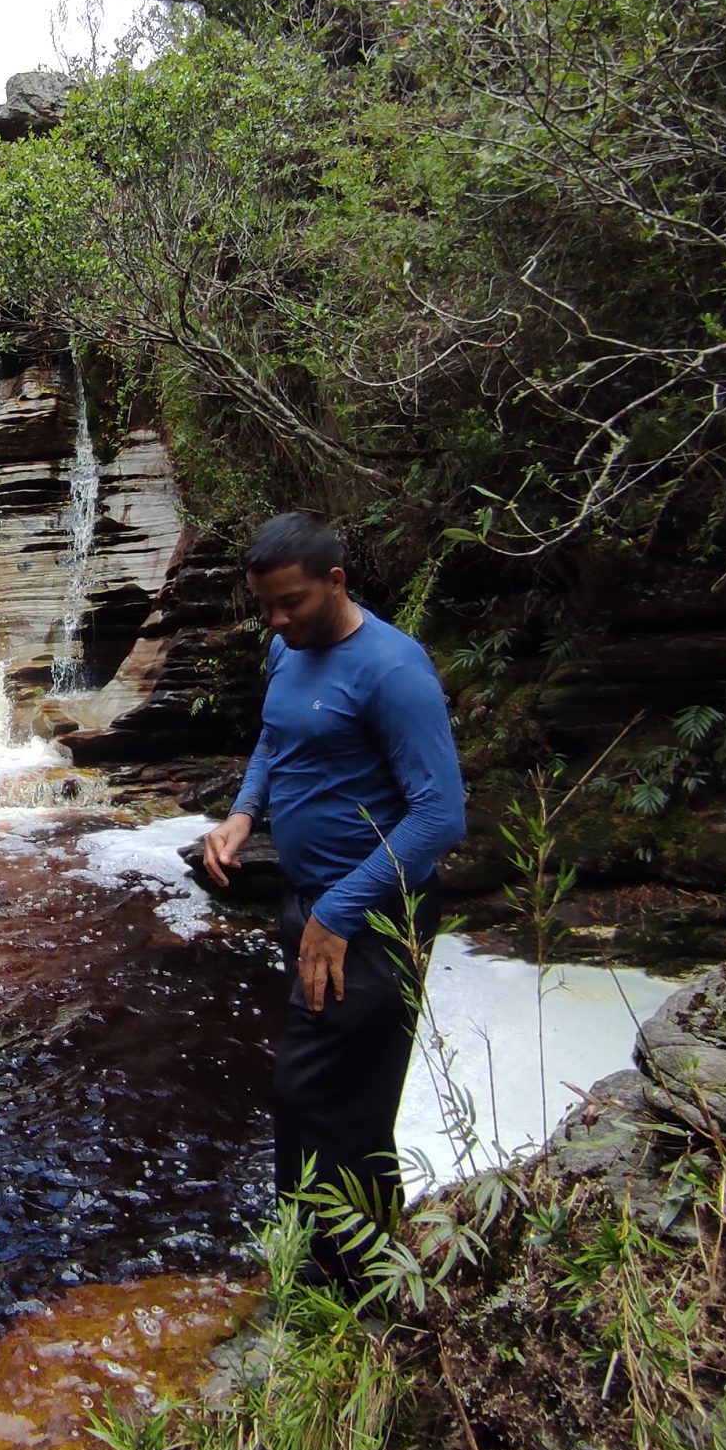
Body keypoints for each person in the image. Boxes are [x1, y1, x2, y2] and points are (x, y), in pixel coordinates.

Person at [200, 512, 466, 1285]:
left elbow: (441, 816)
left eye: (293, 603)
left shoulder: (393, 670)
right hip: (311, 905)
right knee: (347, 1103)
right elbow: (276, 739)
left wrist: (341, 913)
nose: (278, 622)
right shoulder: (291, 648)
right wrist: (245, 812)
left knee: (312, 1095)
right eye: (267, 609)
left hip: (372, 922)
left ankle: (325, 1280)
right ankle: (364, 1270)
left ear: (336, 581)